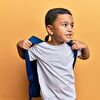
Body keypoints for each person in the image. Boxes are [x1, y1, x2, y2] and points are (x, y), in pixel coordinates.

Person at [17, 8, 90, 100]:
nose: (70, 29)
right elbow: (24, 56)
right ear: (50, 29)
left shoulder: (71, 47)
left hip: (70, 97)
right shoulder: (40, 48)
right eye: (65, 25)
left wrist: (85, 46)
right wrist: (19, 44)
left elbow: (85, 56)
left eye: (72, 25)